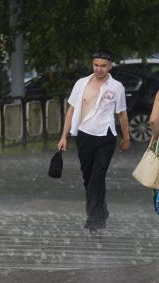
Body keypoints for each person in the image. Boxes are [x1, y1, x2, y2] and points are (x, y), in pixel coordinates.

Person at [57, 49, 130, 232]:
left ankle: (95, 220)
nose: (99, 69)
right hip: (84, 135)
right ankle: (100, 210)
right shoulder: (81, 84)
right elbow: (71, 110)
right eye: (96, 65)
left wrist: (126, 138)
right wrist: (64, 136)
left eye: (103, 66)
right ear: (92, 65)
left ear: (110, 66)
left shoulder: (116, 87)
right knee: (88, 178)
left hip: (106, 137)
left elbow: (122, 114)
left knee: (98, 177)